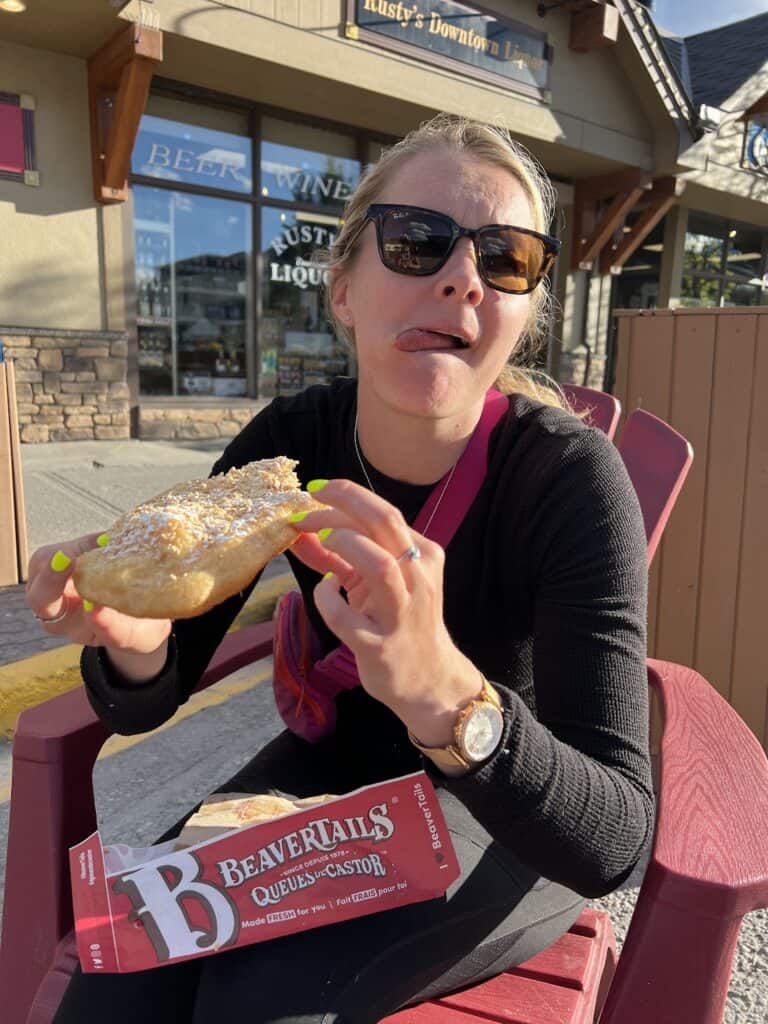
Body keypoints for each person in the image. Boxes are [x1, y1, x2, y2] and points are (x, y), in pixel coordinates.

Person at [26, 114, 653, 1024]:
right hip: (324, 777)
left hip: (508, 815)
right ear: (344, 290)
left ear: (522, 317)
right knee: (120, 973)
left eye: (506, 259)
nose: (461, 277)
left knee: (261, 1001)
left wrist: (450, 702)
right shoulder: (291, 444)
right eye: (417, 241)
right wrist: (135, 645)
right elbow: (147, 698)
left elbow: (616, 839)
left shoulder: (568, 481)